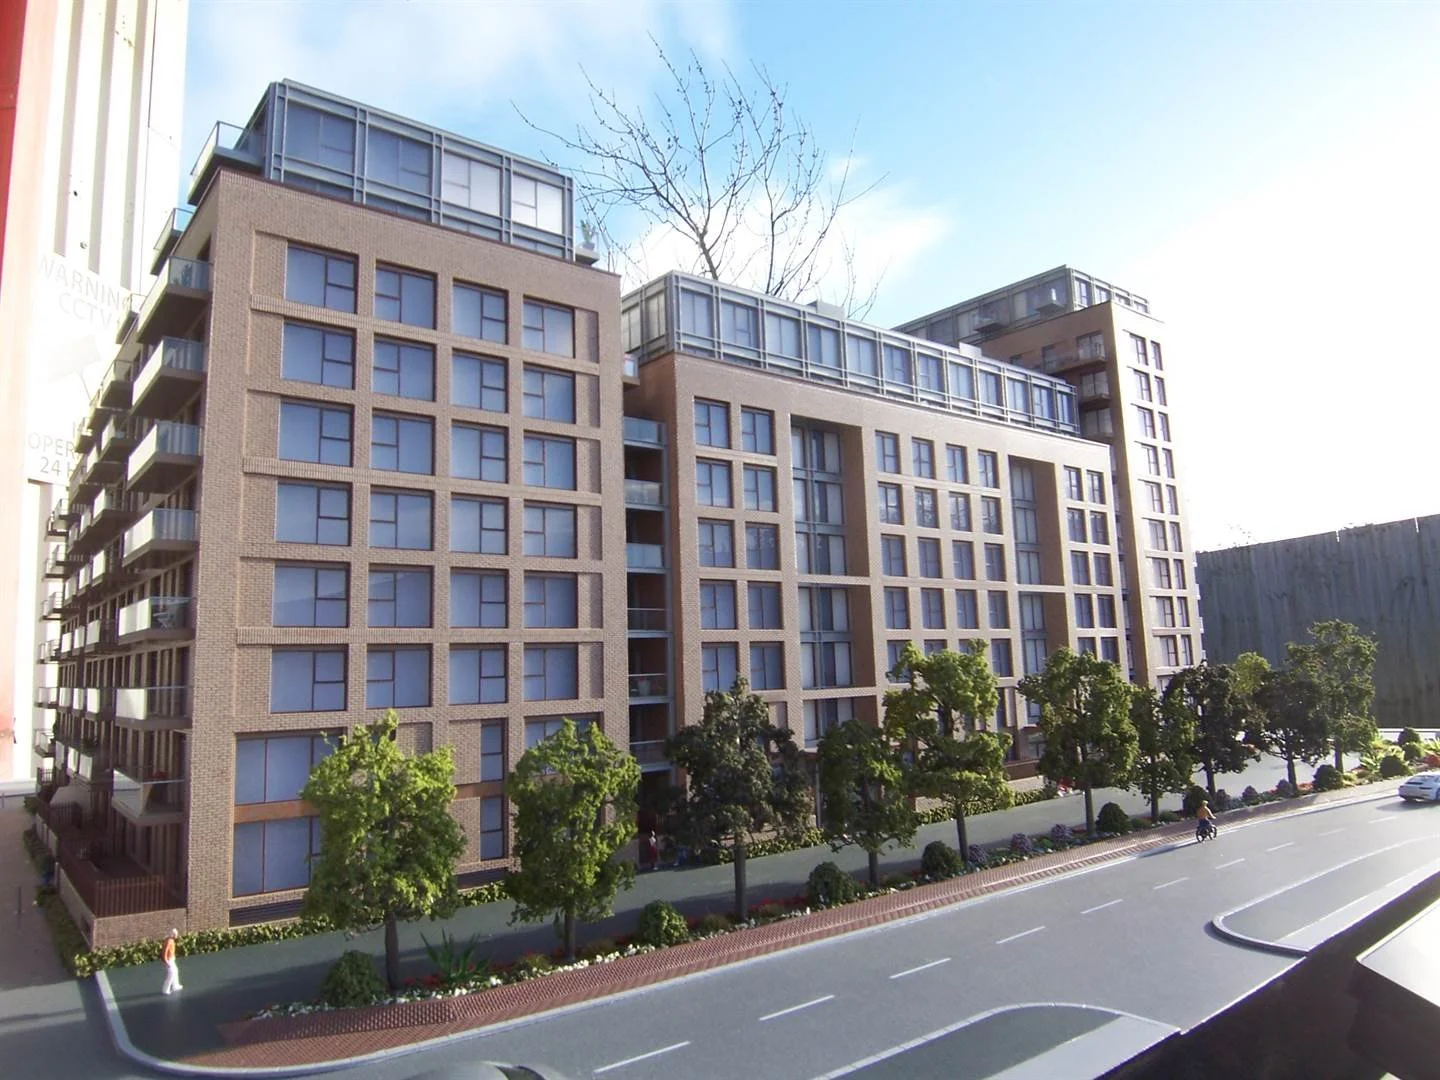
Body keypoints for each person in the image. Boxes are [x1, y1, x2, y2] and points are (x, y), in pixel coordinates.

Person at [161, 928, 183, 995]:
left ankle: (175, 986)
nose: (177, 935)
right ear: (173, 934)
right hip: (169, 960)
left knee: (175, 971)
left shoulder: (171, 940)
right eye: (176, 934)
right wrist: (165, 961)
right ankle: (165, 989)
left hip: (171, 959)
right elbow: (164, 951)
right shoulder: (169, 941)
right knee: (171, 974)